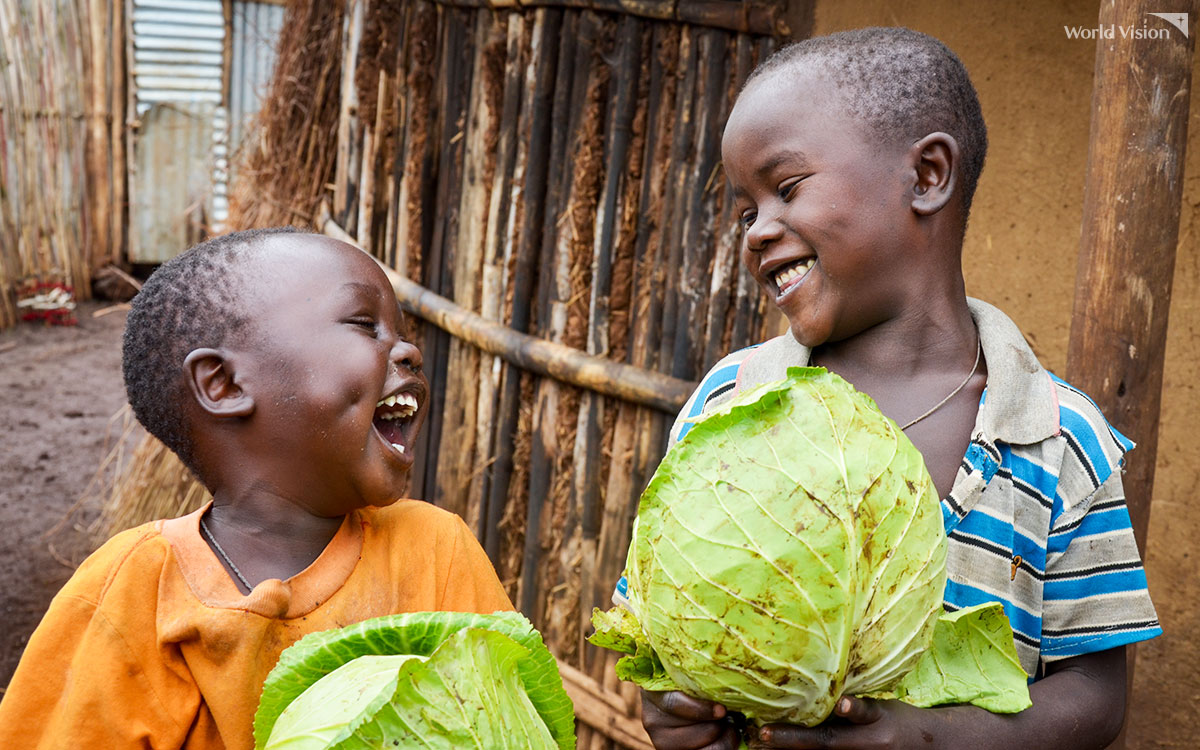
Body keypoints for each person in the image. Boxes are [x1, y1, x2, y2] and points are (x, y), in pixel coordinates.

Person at [633, 27, 1161, 750]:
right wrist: (669, 707)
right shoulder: (730, 407)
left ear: (928, 175)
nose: (757, 230)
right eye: (746, 210)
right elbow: (657, 627)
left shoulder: (1061, 435)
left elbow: (1098, 698)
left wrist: (928, 740)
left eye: (785, 188)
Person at [0, 228, 514, 749]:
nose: (408, 351)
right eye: (365, 326)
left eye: (400, 333)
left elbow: (504, 717)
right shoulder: (132, 594)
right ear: (223, 384)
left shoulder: (436, 551)